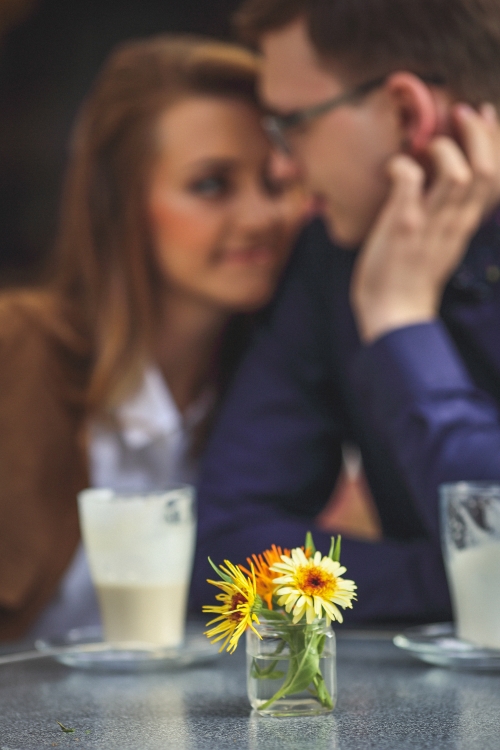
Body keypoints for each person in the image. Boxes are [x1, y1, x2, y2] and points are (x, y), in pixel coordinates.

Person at [191, 0, 500, 622]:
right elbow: (226, 550)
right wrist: (465, 582)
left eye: (293, 124)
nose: (282, 165)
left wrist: (399, 325)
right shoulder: (329, 260)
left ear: (407, 112)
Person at [0, 35, 305, 640]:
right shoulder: (17, 347)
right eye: (212, 185)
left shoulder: (287, 387)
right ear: (118, 204)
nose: (260, 217)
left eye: (274, 183)